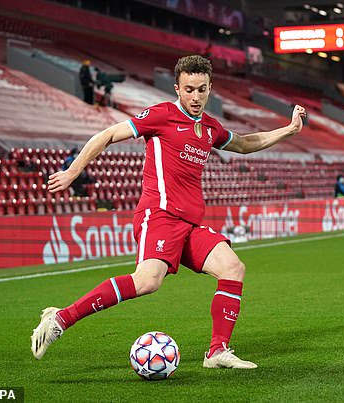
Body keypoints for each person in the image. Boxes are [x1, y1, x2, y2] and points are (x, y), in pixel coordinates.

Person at [31, 55, 307, 368]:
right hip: (159, 215)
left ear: (210, 88)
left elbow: (244, 144)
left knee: (233, 268)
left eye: (202, 89)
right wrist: (73, 171)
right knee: (148, 281)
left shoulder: (210, 127)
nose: (196, 97)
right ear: (177, 88)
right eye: (189, 89)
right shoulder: (161, 115)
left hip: (190, 223)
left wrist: (288, 130)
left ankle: (217, 352)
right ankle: (60, 319)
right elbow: (107, 135)